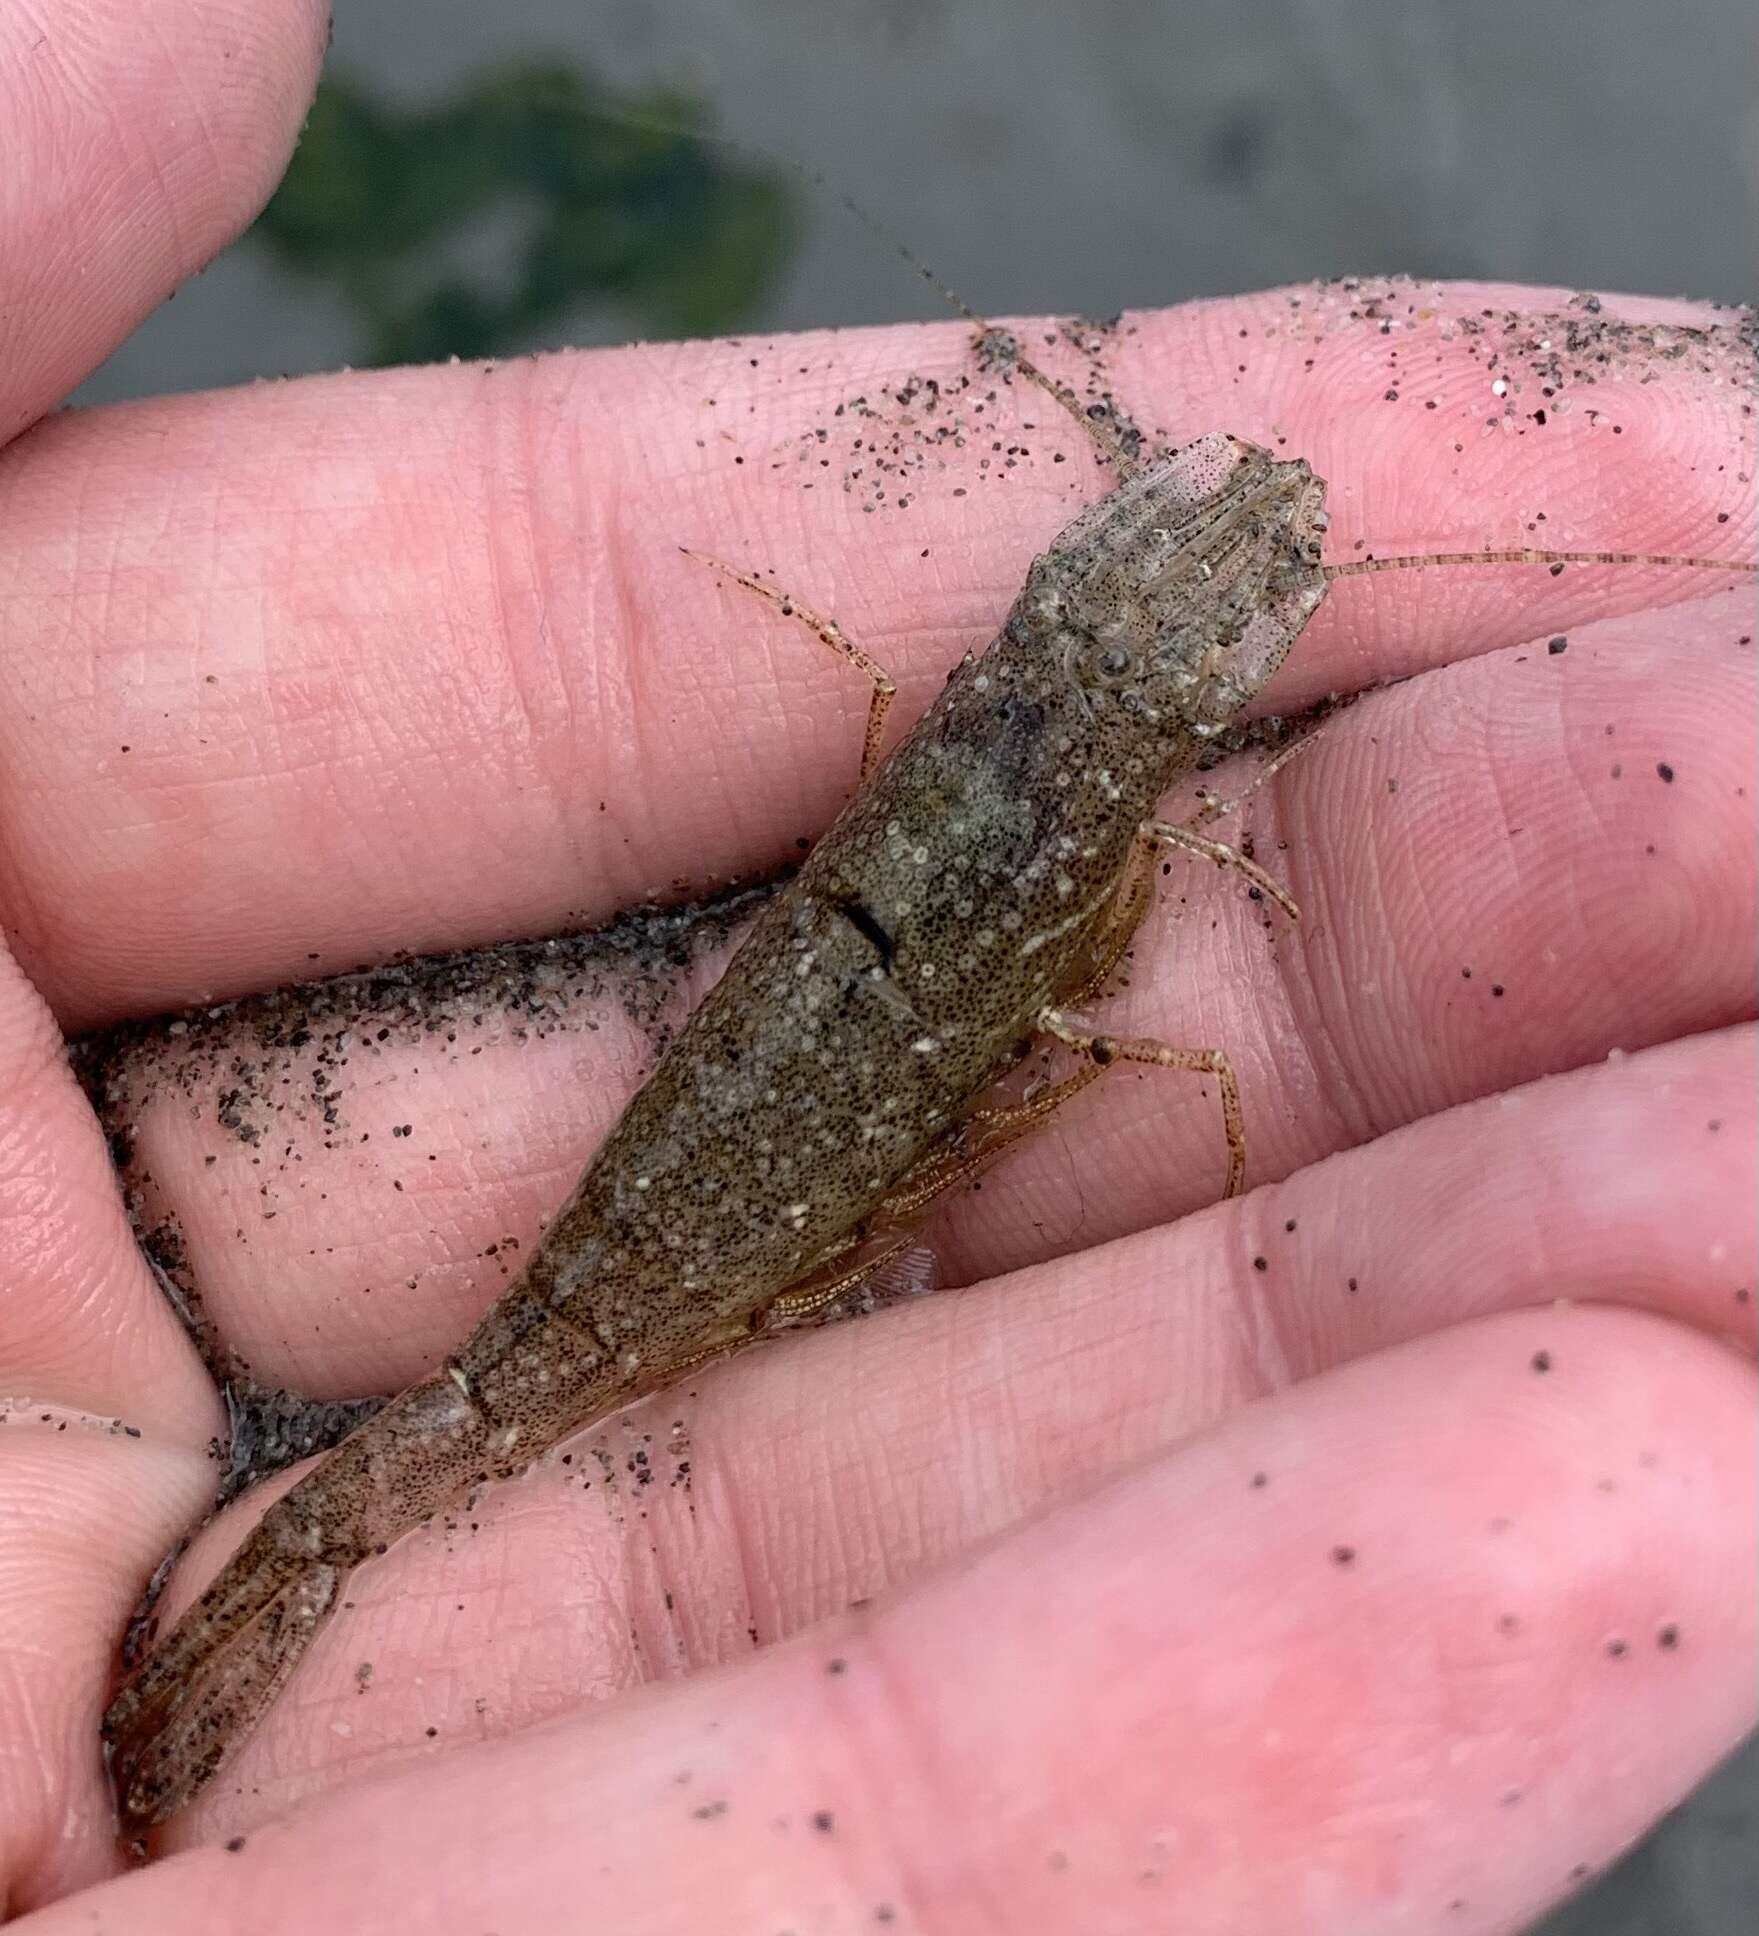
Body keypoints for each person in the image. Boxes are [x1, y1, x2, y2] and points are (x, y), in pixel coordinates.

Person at [0, 2, 1752, 1928]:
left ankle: (301, 1572)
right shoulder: (1122, 792)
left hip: (782, 1097)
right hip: (750, 1142)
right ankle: (292, 1578)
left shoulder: (1011, 707)